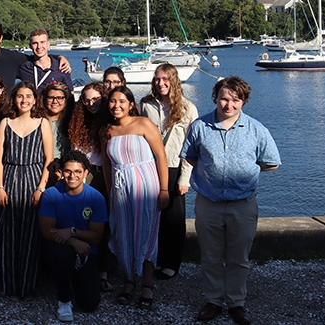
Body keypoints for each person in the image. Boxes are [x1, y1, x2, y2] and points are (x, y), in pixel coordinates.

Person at [181, 77, 280, 325]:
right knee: (211, 255)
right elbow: (191, 158)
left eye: (236, 100)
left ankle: (236, 303)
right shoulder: (199, 126)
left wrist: (243, 174)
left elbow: (271, 162)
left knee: (238, 258)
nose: (229, 105)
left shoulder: (257, 130)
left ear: (243, 101)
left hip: (243, 204)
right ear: (215, 97)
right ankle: (213, 300)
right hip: (208, 203)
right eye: (224, 98)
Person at [94, 86, 168, 309]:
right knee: (122, 234)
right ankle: (129, 280)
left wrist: (164, 190)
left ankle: (147, 284)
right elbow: (106, 165)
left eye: (121, 101)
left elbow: (161, 156)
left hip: (145, 185)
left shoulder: (143, 124)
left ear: (130, 104)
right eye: (112, 102)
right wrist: (109, 193)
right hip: (120, 189)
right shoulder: (106, 130)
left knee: (146, 234)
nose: (116, 106)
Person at [0, 82, 53, 300]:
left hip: (34, 178)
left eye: (29, 96)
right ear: (13, 99)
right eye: (20, 96)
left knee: (31, 233)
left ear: (35, 99)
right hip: (9, 177)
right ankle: (8, 284)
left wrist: (41, 187)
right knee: (7, 233)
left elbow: (49, 159)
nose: (24, 100)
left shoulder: (42, 123)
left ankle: (27, 285)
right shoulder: (5, 123)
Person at [139, 64, 198, 281]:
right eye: (157, 79)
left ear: (173, 80)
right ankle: (155, 259)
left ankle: (172, 262)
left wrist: (185, 179)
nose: (160, 83)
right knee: (153, 218)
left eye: (165, 79)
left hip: (174, 167)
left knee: (173, 218)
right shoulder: (146, 105)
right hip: (150, 166)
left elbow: (192, 146)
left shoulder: (187, 108)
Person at [38, 149, 108, 322]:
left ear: (86, 172)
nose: (72, 176)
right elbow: (47, 231)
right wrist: (73, 241)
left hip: (86, 251)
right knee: (64, 254)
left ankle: (76, 278)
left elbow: (96, 237)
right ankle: (64, 300)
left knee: (89, 304)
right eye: (68, 171)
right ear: (61, 172)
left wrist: (72, 231)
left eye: (78, 171)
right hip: (58, 247)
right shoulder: (51, 195)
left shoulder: (96, 198)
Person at [69, 82, 115, 291]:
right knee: (81, 223)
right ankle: (80, 267)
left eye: (95, 99)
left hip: (103, 176)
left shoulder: (110, 122)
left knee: (103, 226)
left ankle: (103, 272)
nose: (91, 103)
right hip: (83, 175)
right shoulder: (79, 121)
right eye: (86, 100)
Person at [42, 82, 74, 158]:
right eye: (50, 98)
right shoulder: (38, 121)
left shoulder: (72, 121)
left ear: (66, 100)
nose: (55, 101)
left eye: (60, 98)